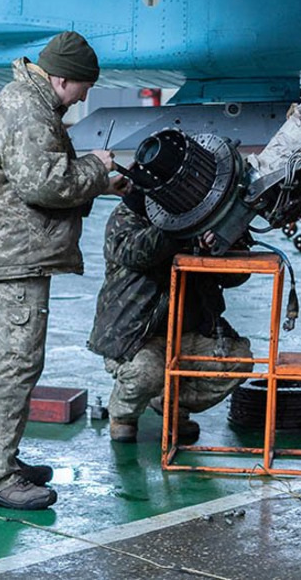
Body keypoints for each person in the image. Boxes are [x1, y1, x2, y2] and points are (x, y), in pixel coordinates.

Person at [0, 30, 123, 511]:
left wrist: (102, 183)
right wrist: (96, 167)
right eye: (83, 88)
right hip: (14, 258)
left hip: (11, 253)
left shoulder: (29, 102)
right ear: (61, 79)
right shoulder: (28, 110)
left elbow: (40, 176)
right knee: (13, 366)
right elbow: (45, 184)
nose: (83, 98)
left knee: (5, 363)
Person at [88, 184, 253, 445]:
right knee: (146, 372)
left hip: (190, 330)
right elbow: (136, 253)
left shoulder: (205, 216)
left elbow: (235, 277)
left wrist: (221, 243)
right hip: (134, 335)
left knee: (237, 361)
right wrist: (182, 229)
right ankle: (123, 415)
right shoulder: (129, 213)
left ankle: (169, 403)